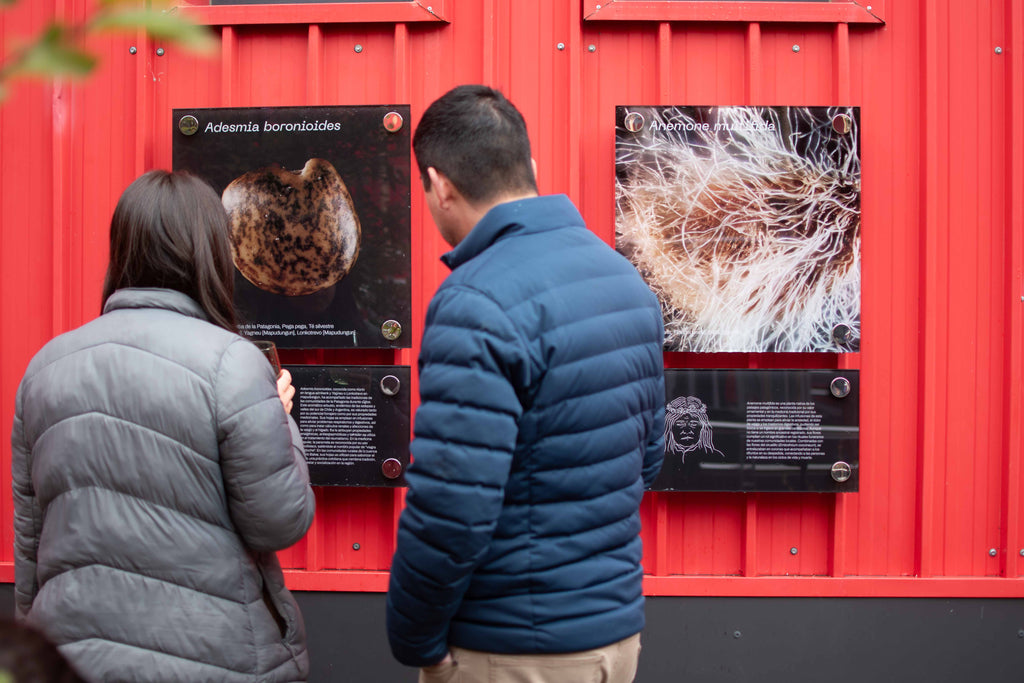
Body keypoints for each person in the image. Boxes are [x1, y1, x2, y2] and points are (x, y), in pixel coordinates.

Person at [386, 85, 666, 683]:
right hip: (613, 639)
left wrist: (415, 639)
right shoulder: (625, 281)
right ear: (531, 169)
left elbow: (452, 508)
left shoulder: (475, 300)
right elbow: (647, 461)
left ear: (439, 185)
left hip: (512, 651)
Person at [11, 170, 316, 682]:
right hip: (214, 655)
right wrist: (282, 420)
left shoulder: (44, 368)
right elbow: (279, 521)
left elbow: (31, 541)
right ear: (211, 253)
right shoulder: (233, 365)